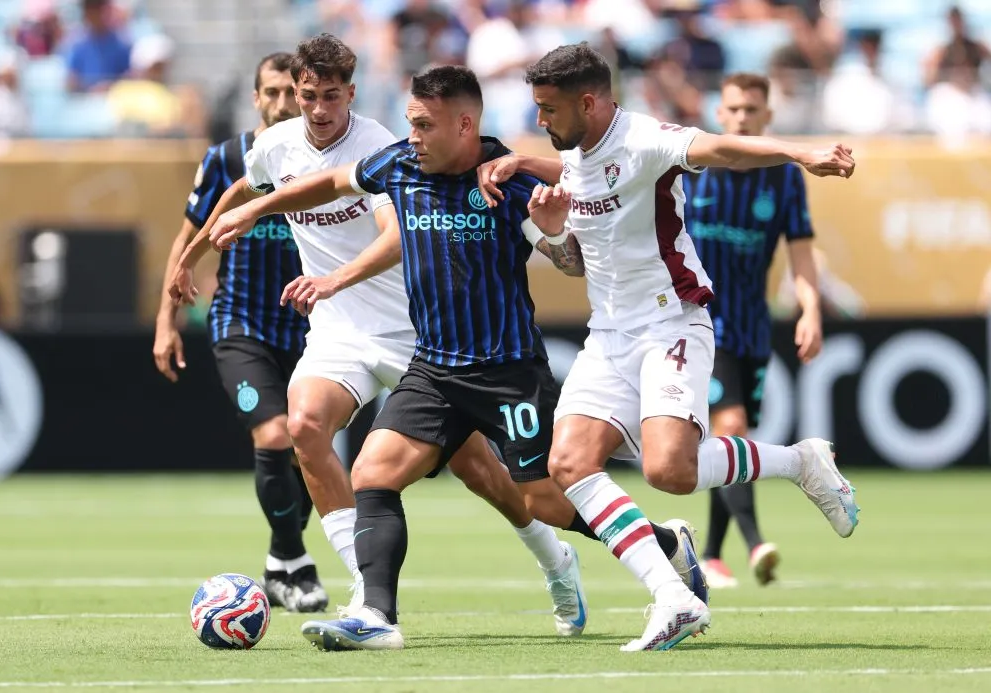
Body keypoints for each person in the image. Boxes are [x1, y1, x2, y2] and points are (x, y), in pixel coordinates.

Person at [204, 63, 707, 651]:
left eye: (423, 124)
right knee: (372, 473)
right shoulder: (397, 165)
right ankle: (376, 616)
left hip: (507, 371)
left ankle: (667, 548)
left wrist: (555, 233)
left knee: (543, 499)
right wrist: (252, 208)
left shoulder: (509, 178)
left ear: (465, 124)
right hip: (433, 368)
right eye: (410, 122)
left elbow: (571, 264)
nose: (411, 135)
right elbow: (331, 183)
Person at [169, 34, 601, 641]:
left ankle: (554, 556)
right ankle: (367, 598)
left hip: (411, 329)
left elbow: (396, 235)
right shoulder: (275, 144)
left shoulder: (387, 148)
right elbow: (251, 187)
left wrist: (334, 277)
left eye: (330, 97)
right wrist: (195, 252)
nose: (318, 110)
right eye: (307, 96)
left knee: (486, 474)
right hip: (339, 329)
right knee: (304, 426)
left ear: (351, 93)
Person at [479, 42, 858, 652]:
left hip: (671, 325)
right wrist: (543, 224)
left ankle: (800, 462)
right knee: (567, 464)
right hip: (606, 335)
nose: (541, 121)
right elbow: (574, 261)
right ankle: (673, 596)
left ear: (588, 101)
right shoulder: (574, 157)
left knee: (669, 472)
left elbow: (721, 147)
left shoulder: (646, 138)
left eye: (549, 110)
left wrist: (800, 153)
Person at [153, 52, 327, 614]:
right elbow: (186, 242)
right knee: (274, 434)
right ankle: (296, 564)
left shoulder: (321, 158)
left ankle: (279, 562)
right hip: (241, 325)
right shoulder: (226, 158)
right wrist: (166, 322)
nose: (281, 103)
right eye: (271, 92)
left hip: (312, 330)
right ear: (256, 98)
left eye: (289, 93)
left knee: (307, 446)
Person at [682, 72, 823, 589]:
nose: (741, 118)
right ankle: (756, 541)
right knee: (732, 426)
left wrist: (811, 310)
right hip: (700, 324)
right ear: (720, 115)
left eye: (751, 110)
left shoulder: (785, 177)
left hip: (752, 327)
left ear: (767, 117)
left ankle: (712, 555)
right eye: (734, 109)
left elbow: (801, 253)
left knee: (731, 445)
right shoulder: (693, 165)